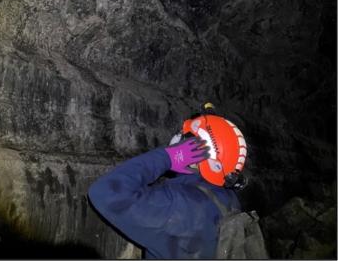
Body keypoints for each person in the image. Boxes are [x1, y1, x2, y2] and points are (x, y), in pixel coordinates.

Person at [88, 104, 247, 259]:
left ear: (196, 149)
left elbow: (104, 192)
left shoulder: (177, 203)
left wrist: (168, 157)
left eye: (183, 135)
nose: (177, 138)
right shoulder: (228, 197)